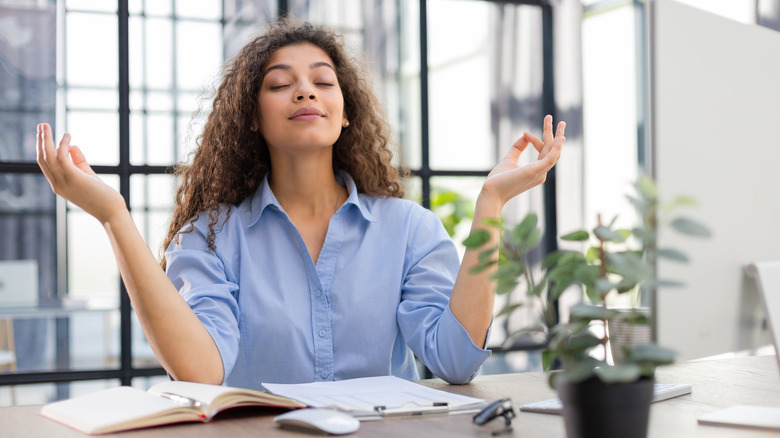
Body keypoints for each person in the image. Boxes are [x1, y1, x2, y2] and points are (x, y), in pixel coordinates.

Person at [36, 18, 565, 389]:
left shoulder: (409, 229)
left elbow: (454, 361)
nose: (305, 92)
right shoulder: (211, 235)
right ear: (250, 116)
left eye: (322, 81)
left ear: (345, 111)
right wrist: (113, 216)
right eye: (280, 84)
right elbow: (201, 370)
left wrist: (491, 202)